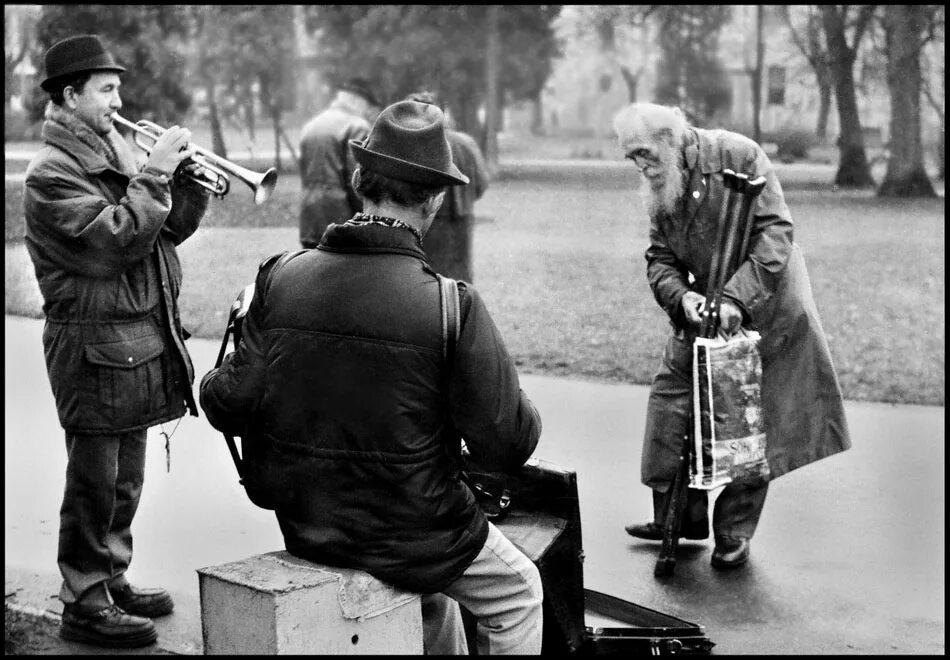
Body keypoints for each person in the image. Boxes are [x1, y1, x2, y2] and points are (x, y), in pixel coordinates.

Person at [200, 100, 544, 654]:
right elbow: (509, 444)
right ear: (434, 201)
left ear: (358, 179)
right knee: (519, 595)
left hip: (307, 522)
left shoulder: (280, 277)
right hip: (417, 533)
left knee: (438, 602)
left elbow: (227, 404)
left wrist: (223, 363)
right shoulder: (451, 306)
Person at [22, 34, 210, 647]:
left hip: (129, 338)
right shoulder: (52, 174)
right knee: (94, 481)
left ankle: (110, 577)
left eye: (117, 87)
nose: (118, 99)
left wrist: (185, 185)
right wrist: (154, 173)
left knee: (125, 477)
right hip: (90, 343)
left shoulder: (113, 150)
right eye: (106, 89)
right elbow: (115, 241)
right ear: (69, 96)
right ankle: (83, 598)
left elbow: (158, 234)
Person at [612, 102, 851, 569]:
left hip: (767, 307)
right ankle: (680, 518)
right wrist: (681, 297)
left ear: (670, 138)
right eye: (631, 158)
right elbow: (660, 257)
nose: (639, 165)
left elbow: (776, 233)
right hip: (700, 308)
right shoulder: (663, 185)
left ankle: (733, 532)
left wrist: (736, 299)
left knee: (749, 420)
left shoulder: (739, 157)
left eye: (643, 153)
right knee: (671, 403)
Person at [405, 90, 489, 282]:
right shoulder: (467, 142)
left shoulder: (417, 144)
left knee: (428, 279)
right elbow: (482, 182)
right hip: (462, 219)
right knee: (460, 276)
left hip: (427, 220)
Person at [298, 77, 381, 249]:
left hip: (309, 215)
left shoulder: (311, 126)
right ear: (356, 101)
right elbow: (357, 180)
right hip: (340, 217)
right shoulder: (357, 126)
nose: (367, 110)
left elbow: (304, 173)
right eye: (366, 104)